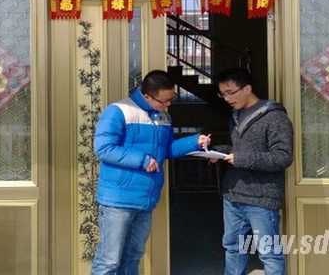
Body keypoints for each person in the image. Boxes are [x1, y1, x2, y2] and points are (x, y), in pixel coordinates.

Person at [91, 69, 212, 275]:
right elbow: (104, 148)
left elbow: (166, 150)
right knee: (109, 260)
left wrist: (194, 142)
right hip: (118, 200)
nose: (168, 104)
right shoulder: (118, 111)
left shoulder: (163, 116)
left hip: (146, 199)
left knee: (134, 255)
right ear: (146, 96)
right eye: (163, 101)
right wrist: (142, 160)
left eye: (171, 99)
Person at [212, 68, 293, 275]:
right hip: (233, 195)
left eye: (231, 92)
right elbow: (239, 150)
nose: (227, 98)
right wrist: (218, 152)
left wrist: (241, 159)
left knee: (269, 254)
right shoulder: (236, 115)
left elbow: (283, 157)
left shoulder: (275, 117)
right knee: (233, 249)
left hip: (262, 199)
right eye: (223, 94)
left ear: (247, 88)